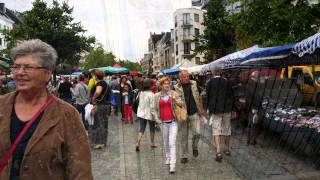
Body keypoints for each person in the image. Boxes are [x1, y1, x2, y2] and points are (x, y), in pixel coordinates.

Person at [0, 39, 92, 179]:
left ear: (47, 74)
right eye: (16, 66)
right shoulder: (2, 106)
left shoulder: (66, 114)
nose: (19, 72)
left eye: (28, 67)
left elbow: (80, 172)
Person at [174, 70, 205, 164]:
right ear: (180, 78)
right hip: (183, 114)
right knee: (184, 136)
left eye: (187, 76)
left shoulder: (194, 84)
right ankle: (184, 155)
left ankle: (194, 147)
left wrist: (201, 109)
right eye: (184, 77)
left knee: (197, 133)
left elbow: (199, 97)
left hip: (194, 112)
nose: (187, 78)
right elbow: (174, 102)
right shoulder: (176, 88)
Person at [153, 77, 182, 173]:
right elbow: (153, 109)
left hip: (173, 122)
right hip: (163, 123)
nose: (167, 85)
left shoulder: (173, 94)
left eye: (168, 83)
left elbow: (181, 103)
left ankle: (173, 165)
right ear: (161, 85)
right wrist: (158, 120)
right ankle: (168, 157)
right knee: (166, 142)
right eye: (164, 83)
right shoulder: (156, 96)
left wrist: (174, 98)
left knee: (172, 143)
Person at [206, 67, 234, 162]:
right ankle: (226, 149)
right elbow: (231, 96)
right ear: (221, 72)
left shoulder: (209, 83)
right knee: (227, 129)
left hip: (215, 110)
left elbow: (208, 97)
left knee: (216, 129)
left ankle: (218, 151)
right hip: (227, 109)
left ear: (213, 72)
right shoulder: (227, 82)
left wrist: (208, 109)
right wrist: (232, 109)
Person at [91, 70, 111, 149]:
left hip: (100, 105)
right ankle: (104, 142)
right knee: (104, 123)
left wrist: (93, 98)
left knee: (99, 123)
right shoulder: (106, 83)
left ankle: (99, 143)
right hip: (106, 105)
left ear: (96, 76)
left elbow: (98, 91)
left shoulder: (100, 83)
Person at [135, 79, 157, 151]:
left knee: (141, 129)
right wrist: (156, 117)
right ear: (150, 86)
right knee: (152, 128)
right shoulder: (152, 95)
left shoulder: (140, 93)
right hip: (150, 114)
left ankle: (137, 143)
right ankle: (152, 143)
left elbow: (137, 101)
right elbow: (152, 107)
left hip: (141, 113)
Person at [245, 71, 264, 146]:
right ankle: (252, 141)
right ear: (257, 77)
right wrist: (254, 108)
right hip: (254, 107)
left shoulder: (251, 83)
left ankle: (250, 140)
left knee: (252, 124)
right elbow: (253, 97)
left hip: (252, 107)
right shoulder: (252, 85)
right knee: (253, 124)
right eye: (259, 77)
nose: (260, 79)